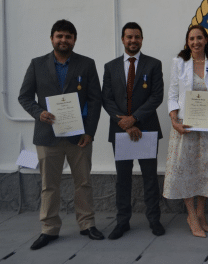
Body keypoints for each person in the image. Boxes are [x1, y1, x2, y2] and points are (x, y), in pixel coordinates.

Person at [18, 19, 104, 250]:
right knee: (49, 185)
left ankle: (87, 224)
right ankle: (49, 229)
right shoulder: (37, 65)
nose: (63, 40)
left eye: (68, 36)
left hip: (80, 137)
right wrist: (39, 112)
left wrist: (90, 132)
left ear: (74, 40)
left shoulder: (86, 64)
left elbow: (95, 100)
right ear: (52, 38)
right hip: (47, 136)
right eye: (59, 36)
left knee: (83, 182)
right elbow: (24, 97)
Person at [101, 22, 165, 240]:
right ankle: (122, 222)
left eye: (137, 37)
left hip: (146, 129)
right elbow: (106, 99)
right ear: (122, 39)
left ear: (142, 39)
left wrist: (135, 119)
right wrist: (125, 123)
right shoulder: (110, 67)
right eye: (129, 37)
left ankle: (154, 220)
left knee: (149, 177)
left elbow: (157, 96)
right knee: (123, 179)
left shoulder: (154, 64)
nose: (133, 41)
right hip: (120, 131)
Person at [163, 24, 208, 238]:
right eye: (192, 39)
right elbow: (172, 94)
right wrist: (174, 120)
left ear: (206, 40)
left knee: (206, 169)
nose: (196, 42)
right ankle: (191, 214)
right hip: (185, 125)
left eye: (199, 38)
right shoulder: (179, 63)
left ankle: (201, 213)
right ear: (187, 42)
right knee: (186, 168)